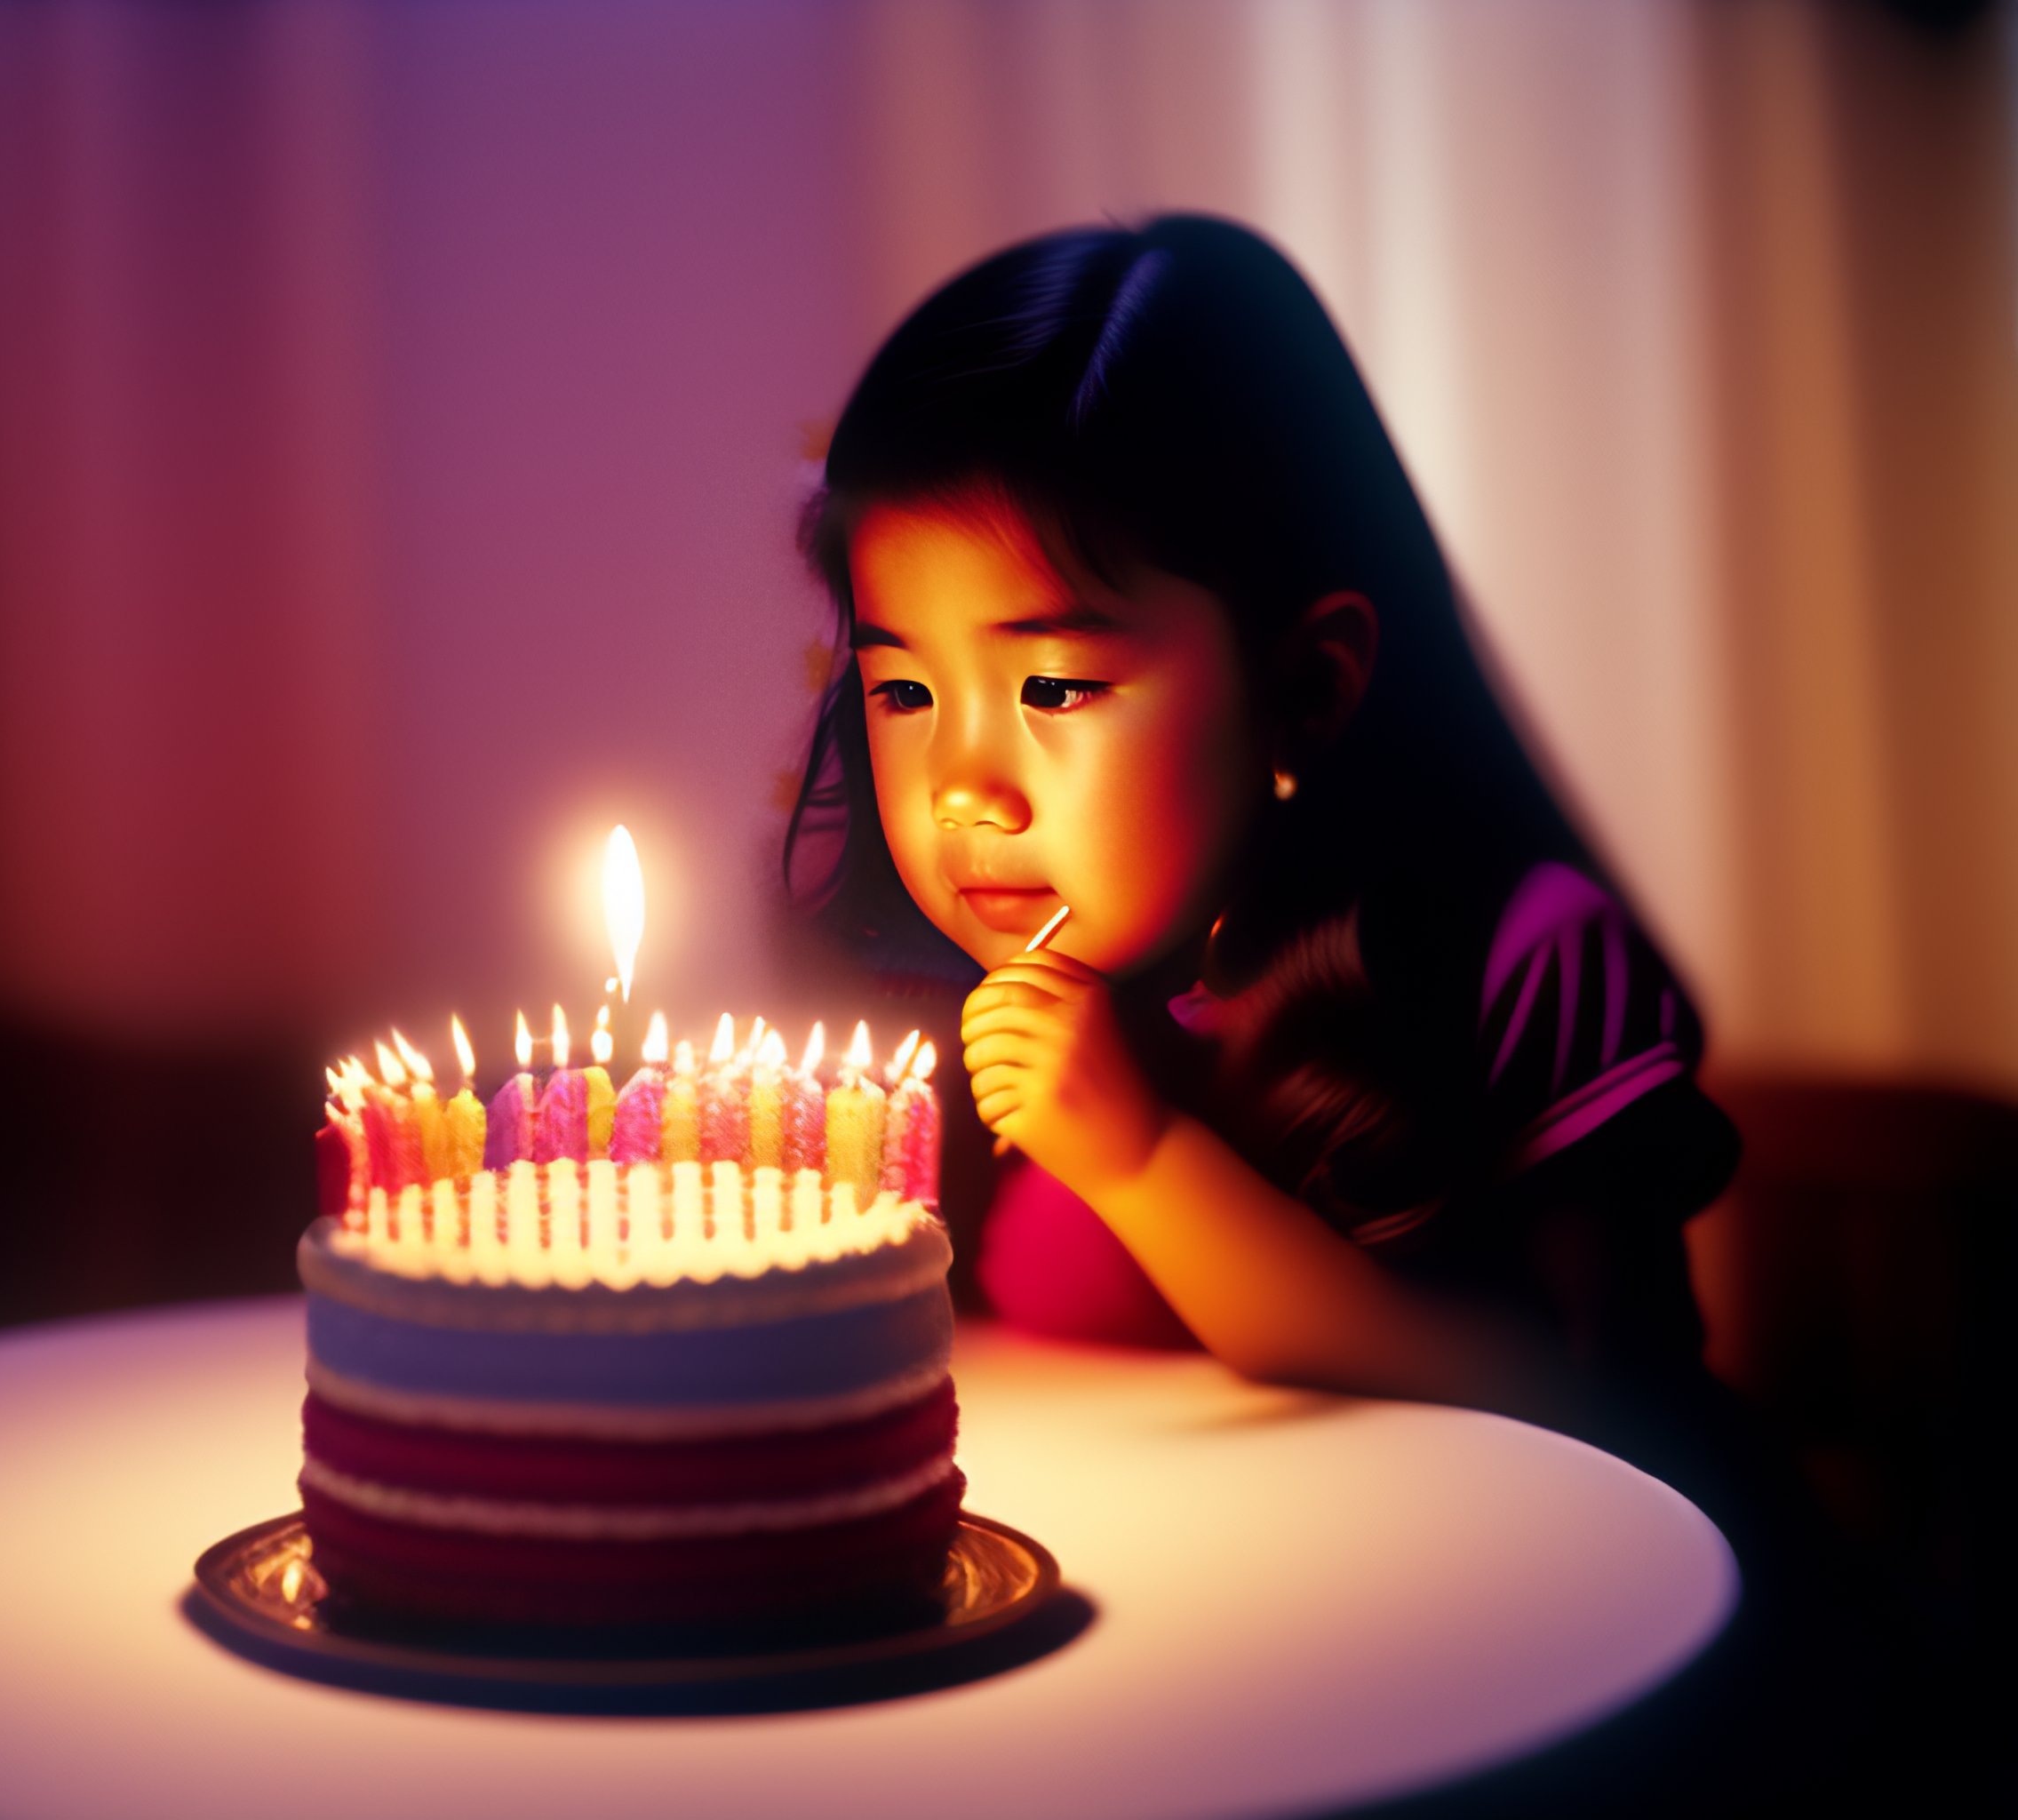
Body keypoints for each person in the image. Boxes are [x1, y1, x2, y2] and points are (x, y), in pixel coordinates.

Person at [783, 216, 1865, 1800]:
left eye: (1056, 689)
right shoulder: (962, 1013)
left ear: (1307, 688)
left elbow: (1592, 1424)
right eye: (901, 690)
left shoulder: (1519, 963)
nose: (964, 790)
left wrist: (1146, 1159)